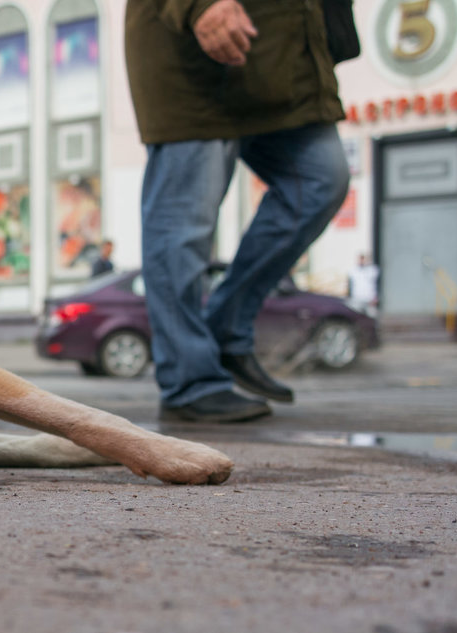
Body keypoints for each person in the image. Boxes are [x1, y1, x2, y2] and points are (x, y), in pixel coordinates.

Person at [125, 0, 350, 422]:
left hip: (282, 59)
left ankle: (227, 325)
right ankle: (188, 380)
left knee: (323, 178)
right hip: (192, 56)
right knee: (182, 224)